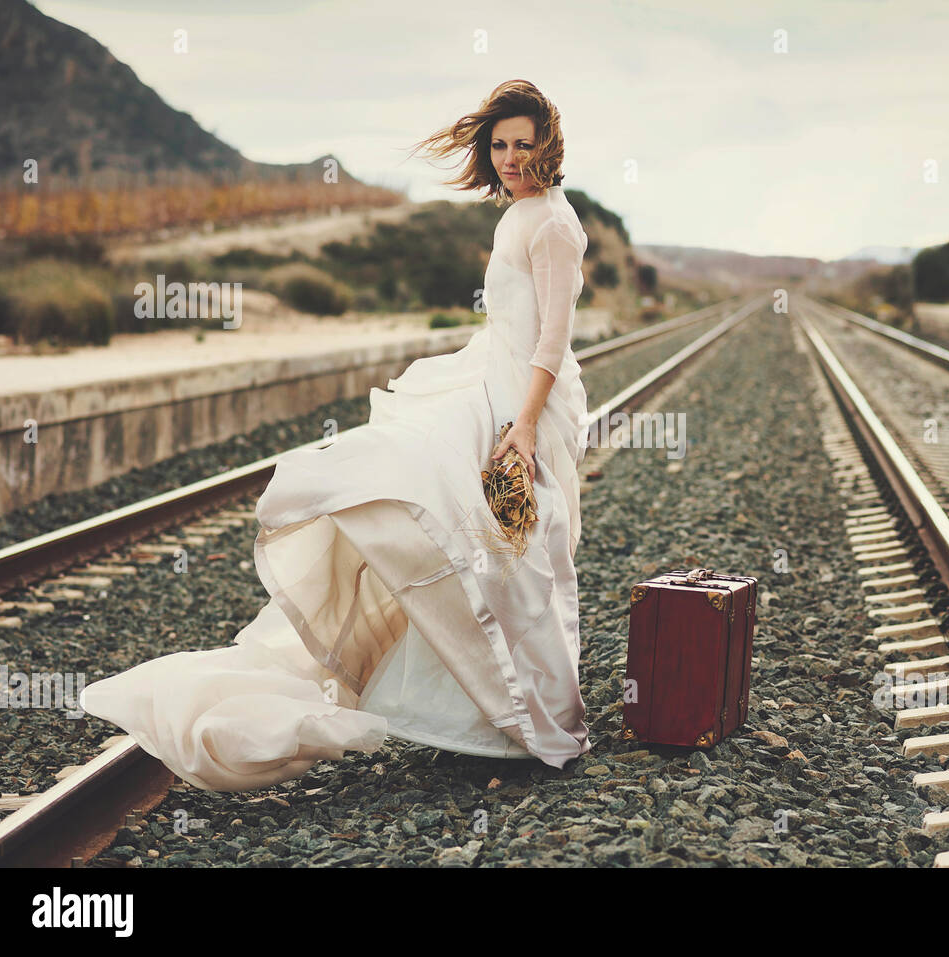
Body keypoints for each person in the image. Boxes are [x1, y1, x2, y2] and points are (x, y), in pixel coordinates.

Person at [80, 79, 593, 791]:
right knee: (478, 533)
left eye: (522, 143)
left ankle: (534, 716)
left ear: (548, 145)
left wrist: (525, 425)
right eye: (499, 143)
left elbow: (553, 341)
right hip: (492, 385)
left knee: (521, 550)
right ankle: (502, 716)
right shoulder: (520, 213)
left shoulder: (555, 227)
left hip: (525, 400)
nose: (509, 156)